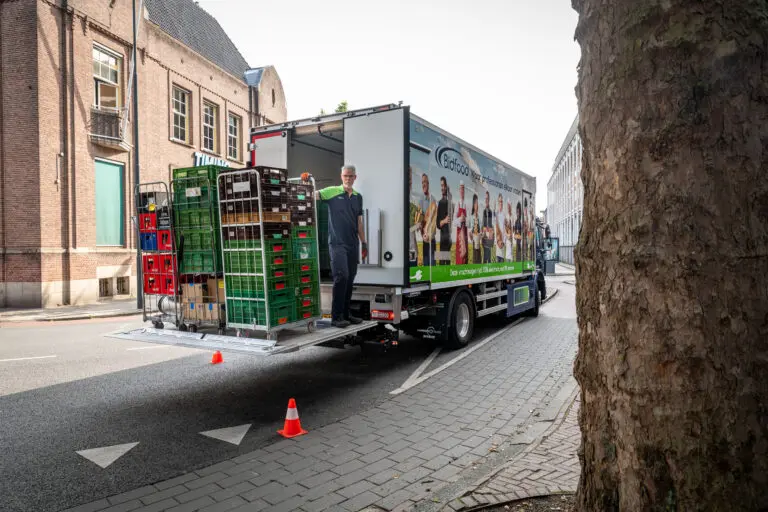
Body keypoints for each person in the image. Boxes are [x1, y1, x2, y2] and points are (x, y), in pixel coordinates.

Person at [315, 165, 367, 328]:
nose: (348, 179)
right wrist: (304, 186)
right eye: (345, 176)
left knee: (350, 278)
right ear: (341, 176)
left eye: (351, 176)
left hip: (353, 244)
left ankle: (346, 314)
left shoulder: (358, 197)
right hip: (337, 244)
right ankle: (336, 317)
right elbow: (314, 195)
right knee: (341, 276)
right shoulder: (332, 192)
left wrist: (364, 242)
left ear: (355, 177)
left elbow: (359, 222)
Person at [418, 174, 437, 267]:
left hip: (432, 240)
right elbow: (419, 221)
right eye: (422, 182)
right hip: (425, 241)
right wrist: (422, 232)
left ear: (428, 184)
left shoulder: (433, 200)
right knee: (426, 267)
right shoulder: (420, 201)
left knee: (433, 266)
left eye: (425, 182)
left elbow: (434, 221)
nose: (423, 184)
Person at [436, 177, 452, 265]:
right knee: (441, 264)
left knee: (448, 266)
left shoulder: (450, 203)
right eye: (441, 186)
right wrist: (444, 221)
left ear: (446, 187)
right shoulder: (440, 203)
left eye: (443, 185)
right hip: (442, 241)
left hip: (448, 241)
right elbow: (437, 224)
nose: (442, 188)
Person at [453, 181, 468, 264]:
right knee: (459, 257)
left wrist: (465, 219)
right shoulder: (457, 204)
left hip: (465, 235)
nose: (462, 191)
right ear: (459, 191)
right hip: (459, 236)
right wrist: (460, 219)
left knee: (465, 258)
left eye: (463, 189)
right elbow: (454, 221)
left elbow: (469, 222)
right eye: (461, 189)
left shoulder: (466, 205)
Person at [481, 190, 494, 263]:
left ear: (489, 199)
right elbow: (482, 225)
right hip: (484, 238)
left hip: (489, 239)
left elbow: (491, 225)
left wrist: (491, 231)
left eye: (488, 198)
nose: (486, 200)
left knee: (489, 258)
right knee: (485, 258)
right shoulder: (483, 211)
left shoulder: (491, 212)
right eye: (485, 198)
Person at [469, 193, 481, 264]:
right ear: (473, 205)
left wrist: (481, 233)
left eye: (477, 203)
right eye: (476, 203)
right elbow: (470, 230)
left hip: (478, 240)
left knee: (479, 258)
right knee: (475, 258)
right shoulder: (471, 217)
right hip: (474, 240)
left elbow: (481, 229)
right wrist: (471, 235)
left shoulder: (479, 216)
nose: (477, 205)